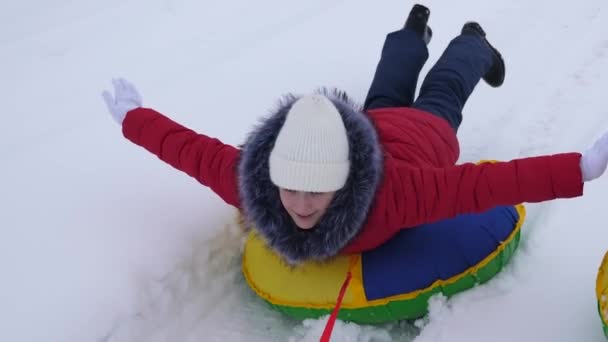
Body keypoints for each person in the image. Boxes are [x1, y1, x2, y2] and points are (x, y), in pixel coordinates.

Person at [102, 4, 608, 265]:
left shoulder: (399, 194)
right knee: (386, 87)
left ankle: (472, 42)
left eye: (316, 191)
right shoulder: (255, 185)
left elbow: (484, 186)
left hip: (424, 135)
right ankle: (412, 31)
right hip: (371, 125)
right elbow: (194, 152)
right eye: (292, 188)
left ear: (343, 181)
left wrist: (578, 168)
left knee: (444, 89)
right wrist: (134, 119)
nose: (299, 204)